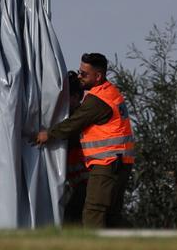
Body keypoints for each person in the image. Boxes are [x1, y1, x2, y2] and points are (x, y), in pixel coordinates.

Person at [36, 52, 135, 228]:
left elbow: (74, 123)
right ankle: (136, 244)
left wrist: (47, 135)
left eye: (84, 74)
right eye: (80, 71)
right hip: (119, 163)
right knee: (111, 215)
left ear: (98, 76)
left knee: (93, 212)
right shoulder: (109, 93)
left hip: (108, 163)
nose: (80, 76)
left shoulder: (97, 100)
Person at [60, 70, 89, 226]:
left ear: (76, 97)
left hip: (83, 183)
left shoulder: (79, 119)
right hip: (76, 182)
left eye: (66, 96)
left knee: (72, 219)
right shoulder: (70, 117)